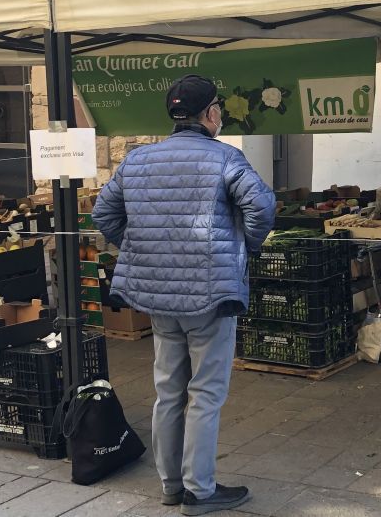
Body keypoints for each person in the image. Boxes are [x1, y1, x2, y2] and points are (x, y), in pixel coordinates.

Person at [93, 74, 275, 516]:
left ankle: (171, 486)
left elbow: (103, 213)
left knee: (168, 391)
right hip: (211, 294)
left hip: (158, 297)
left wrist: (140, 247)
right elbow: (262, 208)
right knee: (206, 393)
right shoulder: (226, 158)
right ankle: (199, 491)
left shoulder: (137, 160)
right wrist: (244, 244)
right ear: (211, 113)